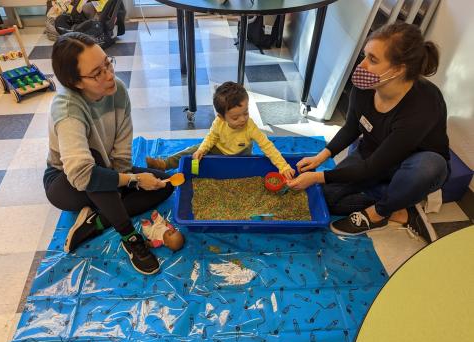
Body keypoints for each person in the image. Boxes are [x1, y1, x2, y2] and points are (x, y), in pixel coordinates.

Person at [286, 23, 449, 244]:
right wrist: (321, 157)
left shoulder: (424, 104)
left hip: (414, 165)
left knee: (428, 166)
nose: (361, 65)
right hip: (374, 155)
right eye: (365, 55)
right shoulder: (365, 86)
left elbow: (373, 167)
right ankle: (399, 205)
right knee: (327, 200)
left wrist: (317, 176)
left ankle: (378, 213)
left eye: (372, 59)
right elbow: (352, 127)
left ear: (398, 69)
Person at [43, 32, 174, 275]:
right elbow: (82, 175)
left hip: (105, 172)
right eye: (97, 73)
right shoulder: (68, 108)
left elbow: (122, 151)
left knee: (164, 184)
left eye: (107, 63)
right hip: (65, 184)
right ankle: (129, 236)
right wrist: (133, 181)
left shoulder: (118, 91)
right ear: (76, 82)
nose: (109, 74)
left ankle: (97, 222)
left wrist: (125, 176)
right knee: (95, 162)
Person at [146, 81, 296, 179]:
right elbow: (211, 137)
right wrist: (202, 151)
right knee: (192, 151)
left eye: (245, 113)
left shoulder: (250, 126)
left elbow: (267, 146)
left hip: (240, 156)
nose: (243, 119)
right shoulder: (219, 122)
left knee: (241, 172)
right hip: (218, 148)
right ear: (222, 117)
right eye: (236, 118)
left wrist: (283, 167)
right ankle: (164, 164)